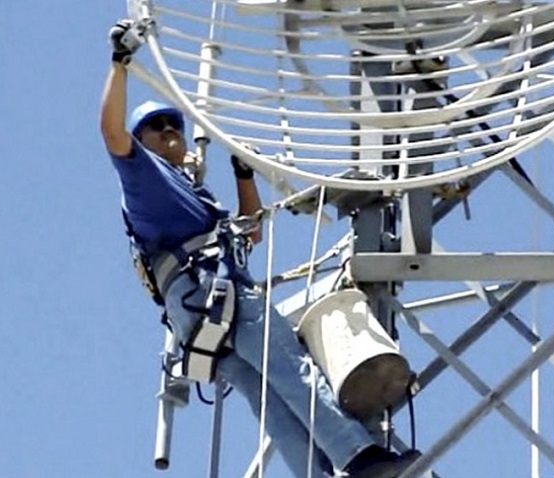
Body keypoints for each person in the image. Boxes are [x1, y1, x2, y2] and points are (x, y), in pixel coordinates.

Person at [100, 19, 420, 478]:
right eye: (155, 127)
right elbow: (112, 135)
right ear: (143, 141)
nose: (170, 130)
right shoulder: (145, 178)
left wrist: (243, 176)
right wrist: (120, 64)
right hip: (221, 299)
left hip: (204, 317)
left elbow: (250, 234)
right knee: (293, 372)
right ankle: (360, 458)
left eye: (174, 124)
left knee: (273, 402)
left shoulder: (187, 192)